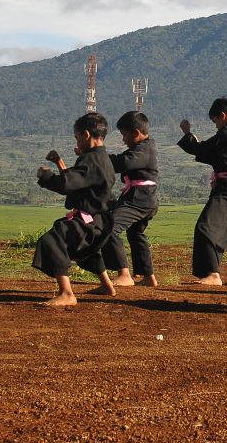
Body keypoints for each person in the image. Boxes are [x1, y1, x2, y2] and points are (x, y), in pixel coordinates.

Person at [31, 112, 117, 307]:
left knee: (52, 240)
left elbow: (67, 184)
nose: (77, 142)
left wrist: (45, 176)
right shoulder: (102, 158)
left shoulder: (91, 161)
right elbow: (78, 182)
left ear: (86, 135)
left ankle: (67, 293)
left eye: (77, 137)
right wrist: (60, 164)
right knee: (85, 249)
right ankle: (107, 286)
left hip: (90, 220)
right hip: (101, 221)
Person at [178, 98, 227, 286]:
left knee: (205, 227)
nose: (216, 126)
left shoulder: (226, 133)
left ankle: (212, 274)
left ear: (223, 116)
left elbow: (201, 149)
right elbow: (212, 154)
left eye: (215, 122)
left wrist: (187, 133)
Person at [102, 110, 160, 288]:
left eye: (124, 134)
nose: (123, 139)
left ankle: (124, 273)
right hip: (145, 198)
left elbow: (123, 163)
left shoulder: (143, 149)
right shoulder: (144, 147)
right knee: (135, 234)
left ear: (136, 133)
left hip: (138, 199)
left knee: (109, 227)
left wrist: (98, 156)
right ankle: (148, 276)